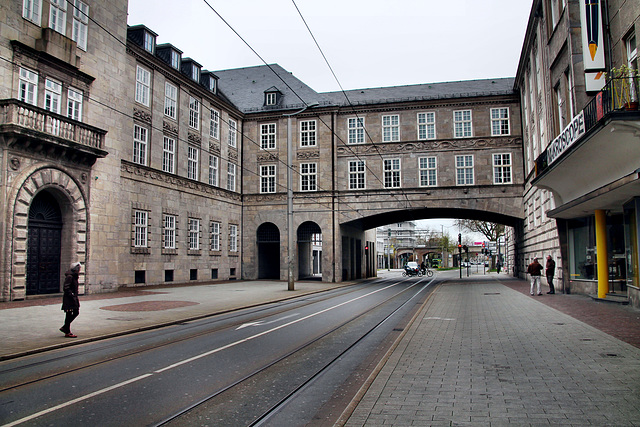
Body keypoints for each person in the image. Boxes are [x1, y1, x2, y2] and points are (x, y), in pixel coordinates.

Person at [60, 262, 81, 338]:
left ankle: (66, 328)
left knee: (75, 312)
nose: (80, 270)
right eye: (79, 268)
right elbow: (66, 287)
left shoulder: (74, 276)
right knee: (70, 314)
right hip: (69, 299)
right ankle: (67, 330)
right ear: (76, 269)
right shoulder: (70, 276)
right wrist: (71, 295)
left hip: (73, 298)